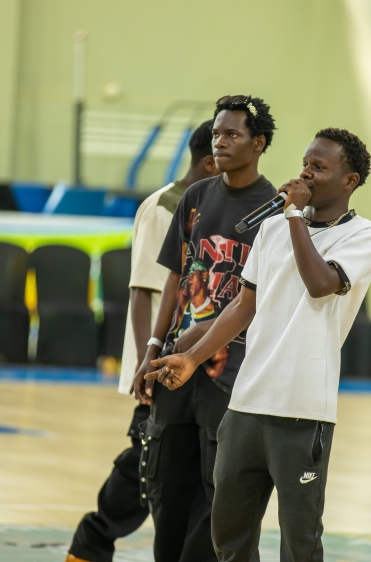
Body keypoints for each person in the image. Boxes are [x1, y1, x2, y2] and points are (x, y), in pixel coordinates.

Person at [147, 128, 371, 562]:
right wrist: (193, 358)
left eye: (319, 167)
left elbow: (320, 283)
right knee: (229, 539)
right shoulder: (273, 228)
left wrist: (294, 217)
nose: (305, 173)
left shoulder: (363, 236)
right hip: (245, 405)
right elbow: (242, 305)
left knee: (300, 544)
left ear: (349, 181)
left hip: (302, 410)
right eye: (305, 163)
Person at [65, 120, 217, 562]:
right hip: (159, 361)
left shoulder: (210, 205)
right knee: (146, 463)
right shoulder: (165, 206)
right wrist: (147, 361)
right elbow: (143, 290)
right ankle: (90, 543)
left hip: (194, 356)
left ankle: (93, 543)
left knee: (166, 465)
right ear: (210, 160)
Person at [133, 96, 277, 562]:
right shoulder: (195, 197)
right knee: (166, 490)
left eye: (232, 134)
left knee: (220, 496)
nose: (221, 142)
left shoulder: (274, 210)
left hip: (230, 374)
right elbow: (175, 278)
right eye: (217, 133)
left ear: (258, 144)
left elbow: (259, 302)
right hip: (178, 366)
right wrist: (152, 350)